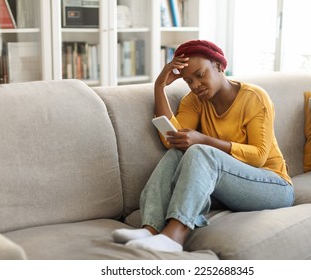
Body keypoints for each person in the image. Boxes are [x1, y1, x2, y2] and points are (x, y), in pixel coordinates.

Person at [111, 40, 294, 252]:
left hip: (273, 185)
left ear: (218, 66)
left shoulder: (254, 98)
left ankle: (174, 237)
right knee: (177, 152)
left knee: (201, 151)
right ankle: (150, 228)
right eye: (189, 81)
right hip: (228, 187)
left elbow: (259, 157)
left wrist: (205, 140)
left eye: (200, 75)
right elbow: (170, 139)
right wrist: (159, 86)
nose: (196, 85)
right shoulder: (194, 101)